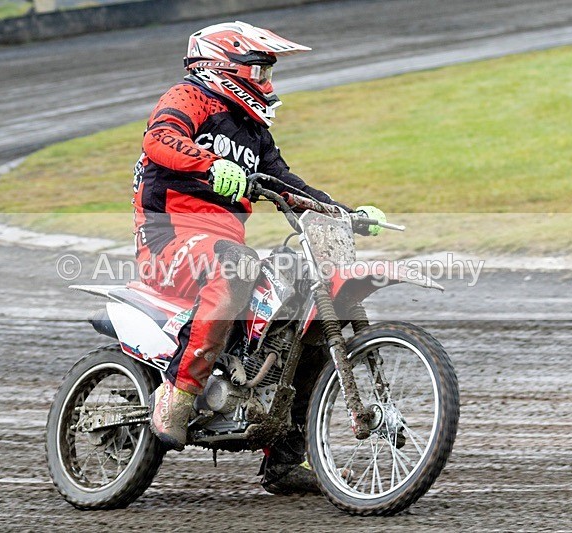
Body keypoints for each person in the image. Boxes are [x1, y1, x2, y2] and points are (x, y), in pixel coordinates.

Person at [132, 21, 386, 493]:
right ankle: (180, 391)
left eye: (269, 72)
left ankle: (285, 458)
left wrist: (346, 213)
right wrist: (210, 165)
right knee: (238, 266)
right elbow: (158, 140)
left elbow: (289, 185)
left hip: (222, 244)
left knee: (298, 306)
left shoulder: (253, 131)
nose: (266, 82)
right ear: (222, 65)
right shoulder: (189, 97)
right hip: (167, 237)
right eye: (258, 69)